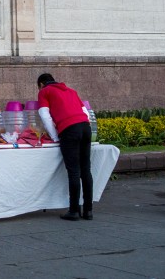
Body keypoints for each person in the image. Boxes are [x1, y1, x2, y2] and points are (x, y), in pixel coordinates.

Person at [37, 73, 93, 220]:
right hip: (85, 128)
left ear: (41, 84)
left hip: (69, 130)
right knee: (86, 170)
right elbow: (85, 112)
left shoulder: (44, 91)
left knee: (74, 171)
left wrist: (55, 137)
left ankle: (74, 211)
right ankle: (88, 211)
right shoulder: (71, 91)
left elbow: (45, 116)